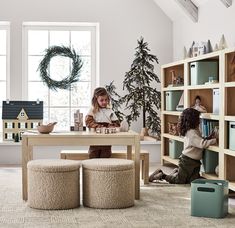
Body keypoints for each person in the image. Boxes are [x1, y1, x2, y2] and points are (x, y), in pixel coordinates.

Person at [149, 108, 217, 184]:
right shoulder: (192, 133)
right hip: (187, 161)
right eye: (198, 119)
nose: (199, 121)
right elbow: (202, 144)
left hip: (195, 161)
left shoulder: (195, 131)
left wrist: (208, 138)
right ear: (192, 120)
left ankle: (176, 172)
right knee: (179, 181)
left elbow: (199, 141)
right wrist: (215, 140)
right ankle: (162, 175)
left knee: (193, 181)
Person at [85, 87, 120, 158]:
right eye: (101, 100)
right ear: (96, 100)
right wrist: (98, 126)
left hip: (107, 139)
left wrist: (112, 125)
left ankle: (104, 169)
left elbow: (117, 123)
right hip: (94, 139)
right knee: (93, 155)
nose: (104, 102)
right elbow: (88, 122)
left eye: (106, 100)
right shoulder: (93, 110)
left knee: (106, 155)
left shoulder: (109, 110)